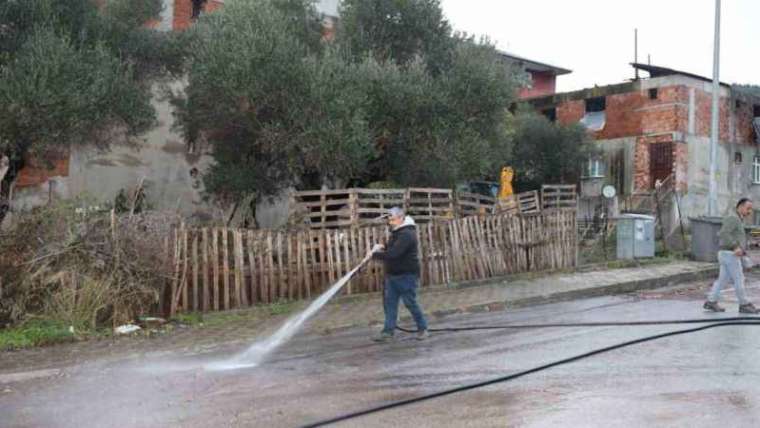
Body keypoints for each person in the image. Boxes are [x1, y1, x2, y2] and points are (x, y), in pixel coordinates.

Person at [368, 207, 429, 342]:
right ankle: (388, 332)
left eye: (393, 219)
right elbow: (393, 248)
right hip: (393, 275)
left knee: (410, 303)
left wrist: (374, 255)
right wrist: (383, 246)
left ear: (401, 218)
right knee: (390, 304)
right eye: (389, 220)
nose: (390, 222)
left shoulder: (407, 234)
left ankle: (423, 328)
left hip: (406, 275)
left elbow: (395, 254)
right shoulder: (398, 232)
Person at [704, 198, 760, 314]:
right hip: (730, 253)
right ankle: (744, 304)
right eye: (748, 208)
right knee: (739, 279)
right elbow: (724, 233)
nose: (749, 211)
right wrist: (735, 247)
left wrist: (750, 244)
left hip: (727, 254)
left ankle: (711, 301)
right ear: (740, 206)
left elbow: (740, 235)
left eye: (751, 209)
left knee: (722, 280)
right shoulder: (732, 218)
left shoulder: (738, 219)